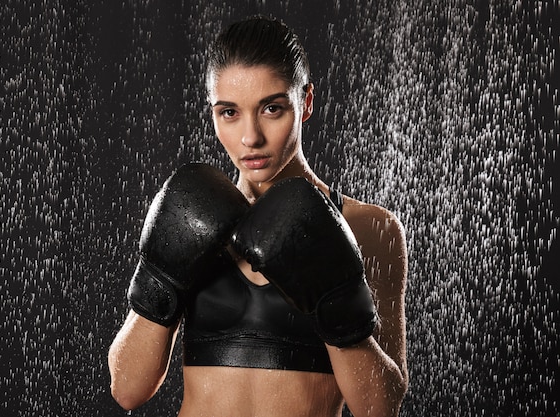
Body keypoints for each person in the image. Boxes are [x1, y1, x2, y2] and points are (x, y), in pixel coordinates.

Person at [108, 16, 408, 417]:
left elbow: (380, 407)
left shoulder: (369, 228)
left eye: (271, 108)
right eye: (229, 112)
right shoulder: (189, 213)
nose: (251, 137)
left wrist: (336, 304)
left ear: (306, 102)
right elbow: (127, 390)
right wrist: (160, 278)